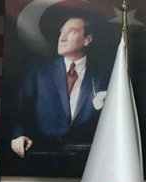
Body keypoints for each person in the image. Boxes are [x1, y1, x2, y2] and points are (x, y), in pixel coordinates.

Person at [11, 16, 108, 157]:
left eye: (71, 32)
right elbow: (21, 112)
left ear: (87, 39)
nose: (62, 38)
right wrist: (18, 135)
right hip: (44, 158)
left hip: (91, 159)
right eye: (61, 32)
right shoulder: (39, 72)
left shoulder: (103, 75)